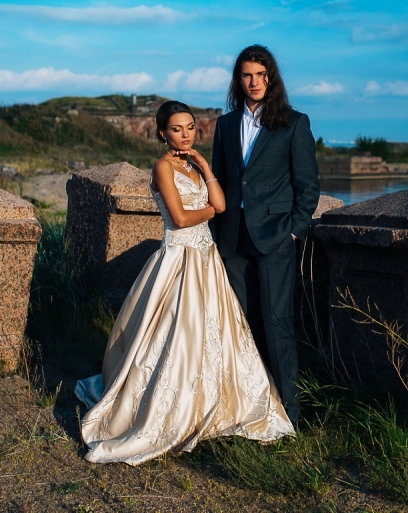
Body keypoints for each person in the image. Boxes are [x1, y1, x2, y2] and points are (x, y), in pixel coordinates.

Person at [74, 100, 294, 465]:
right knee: (177, 334)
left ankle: (214, 401)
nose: (185, 134)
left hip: (207, 260)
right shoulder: (162, 167)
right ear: (162, 133)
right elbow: (180, 217)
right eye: (177, 129)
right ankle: (171, 407)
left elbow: (221, 201)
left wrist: (205, 167)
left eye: (190, 127)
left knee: (216, 334)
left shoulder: (192, 164)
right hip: (179, 257)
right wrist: (210, 211)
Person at [211, 45, 320, 422]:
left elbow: (308, 187)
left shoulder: (294, 122)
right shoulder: (226, 125)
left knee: (277, 323)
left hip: (276, 238)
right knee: (241, 323)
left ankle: (290, 410)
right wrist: (215, 234)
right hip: (232, 239)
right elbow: (219, 182)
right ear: (238, 80)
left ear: (271, 78)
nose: (254, 82)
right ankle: (250, 405)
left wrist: (293, 232)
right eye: (247, 75)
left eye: (261, 75)